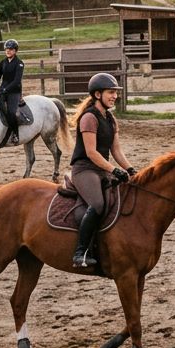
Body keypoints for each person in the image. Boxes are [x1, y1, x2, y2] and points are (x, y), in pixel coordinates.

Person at [63, 72, 136, 267]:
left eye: (115, 93)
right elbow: (92, 152)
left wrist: (129, 169)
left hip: (102, 169)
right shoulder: (89, 118)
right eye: (111, 92)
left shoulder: (111, 119)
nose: (114, 96)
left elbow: (116, 150)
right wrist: (114, 170)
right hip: (84, 169)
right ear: (97, 95)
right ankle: (80, 252)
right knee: (97, 204)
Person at [0, 39, 24, 145]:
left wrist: (5, 89)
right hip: (2, 91)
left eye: (11, 49)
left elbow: (17, 81)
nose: (8, 51)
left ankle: (15, 134)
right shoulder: (2, 62)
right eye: (7, 49)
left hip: (14, 91)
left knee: (11, 112)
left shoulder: (19, 64)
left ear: (15, 51)